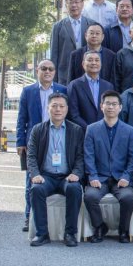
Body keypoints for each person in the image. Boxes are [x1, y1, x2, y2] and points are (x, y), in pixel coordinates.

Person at [27, 93, 84, 247]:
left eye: (61, 106)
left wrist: (76, 173)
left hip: (67, 176)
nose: (58, 109)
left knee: (74, 188)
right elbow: (31, 156)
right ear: (48, 108)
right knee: (36, 189)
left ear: (67, 109)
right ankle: (42, 234)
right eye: (54, 106)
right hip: (46, 176)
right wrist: (35, 174)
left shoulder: (76, 130)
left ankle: (70, 233)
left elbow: (80, 156)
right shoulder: (38, 130)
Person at [83, 90, 133, 244]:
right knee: (90, 197)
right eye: (107, 104)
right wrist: (92, 176)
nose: (111, 107)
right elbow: (88, 155)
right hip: (99, 177)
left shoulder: (129, 130)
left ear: (120, 107)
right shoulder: (91, 129)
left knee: (127, 198)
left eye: (114, 104)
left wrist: (127, 176)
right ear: (101, 106)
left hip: (121, 178)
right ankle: (99, 227)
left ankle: (123, 230)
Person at [51, 0, 97, 85]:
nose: (74, 5)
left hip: (87, 71)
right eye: (71, 2)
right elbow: (54, 54)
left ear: (82, 4)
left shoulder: (91, 25)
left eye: (76, 2)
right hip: (65, 74)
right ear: (66, 5)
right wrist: (54, 80)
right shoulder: (58, 27)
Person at [67, 50, 114, 130]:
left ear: (101, 64)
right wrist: (89, 129)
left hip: (104, 131)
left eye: (97, 60)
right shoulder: (74, 85)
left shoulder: (108, 86)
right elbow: (73, 114)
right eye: (90, 60)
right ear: (83, 64)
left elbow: (111, 110)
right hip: (82, 132)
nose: (94, 63)